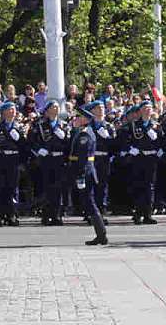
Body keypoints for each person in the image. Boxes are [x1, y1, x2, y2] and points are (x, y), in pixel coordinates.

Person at [69, 102, 108, 245]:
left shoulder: (85, 134)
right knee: (88, 203)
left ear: (85, 119)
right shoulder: (81, 132)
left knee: (90, 203)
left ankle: (101, 235)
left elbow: (84, 158)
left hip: (85, 172)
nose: (75, 119)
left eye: (78, 117)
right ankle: (101, 234)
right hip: (83, 171)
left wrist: (80, 176)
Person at [30, 100, 69, 226]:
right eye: (53, 107)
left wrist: (65, 138)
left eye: (57, 107)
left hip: (59, 159)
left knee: (58, 188)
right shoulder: (39, 125)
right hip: (46, 159)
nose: (56, 109)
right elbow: (31, 141)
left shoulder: (63, 125)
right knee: (46, 188)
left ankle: (57, 215)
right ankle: (46, 215)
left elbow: (69, 144)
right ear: (47, 110)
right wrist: (38, 150)